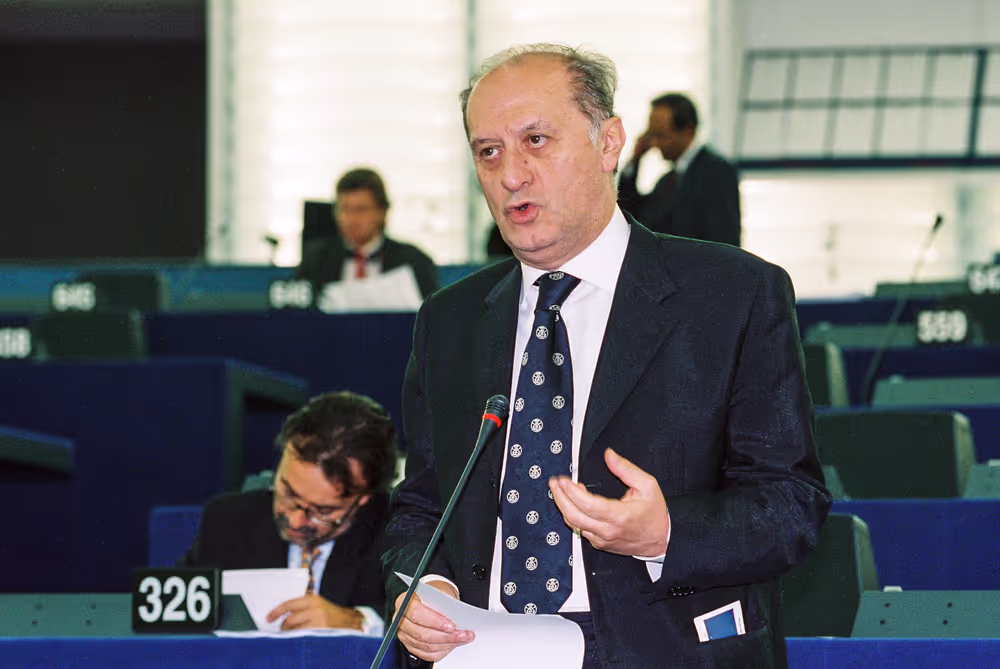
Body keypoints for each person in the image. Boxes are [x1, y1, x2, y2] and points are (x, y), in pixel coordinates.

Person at [381, 43, 830, 669]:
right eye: (488, 151)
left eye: (536, 140)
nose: (511, 175)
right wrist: (426, 588)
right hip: (482, 649)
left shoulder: (731, 294)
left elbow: (791, 505)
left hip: (661, 649)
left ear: (609, 143)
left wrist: (665, 533)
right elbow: (422, 507)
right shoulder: (449, 321)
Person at [182, 391, 397, 633]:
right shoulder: (227, 521)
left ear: (364, 498)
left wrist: (357, 621)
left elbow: (424, 622)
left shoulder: (398, 533)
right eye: (288, 493)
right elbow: (171, 619)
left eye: (322, 511)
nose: (295, 521)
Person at [618, 92, 742, 247]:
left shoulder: (716, 172)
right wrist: (635, 160)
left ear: (688, 131)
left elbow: (725, 241)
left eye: (660, 135)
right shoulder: (667, 181)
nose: (654, 143)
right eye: (651, 135)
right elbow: (634, 215)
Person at [296, 168, 440, 299]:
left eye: (361, 209)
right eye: (344, 209)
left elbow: (433, 314)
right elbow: (295, 310)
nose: (351, 219)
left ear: (382, 212)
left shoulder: (413, 261)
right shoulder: (316, 258)